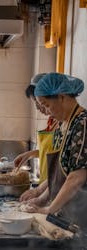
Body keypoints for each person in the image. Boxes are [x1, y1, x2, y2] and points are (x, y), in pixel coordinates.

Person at [24, 72, 87, 230]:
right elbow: (58, 173)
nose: (46, 111)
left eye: (45, 105)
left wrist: (49, 209)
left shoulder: (82, 124)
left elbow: (76, 177)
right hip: (66, 211)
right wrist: (42, 199)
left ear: (62, 97)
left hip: (82, 212)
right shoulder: (62, 126)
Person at [14, 73, 59, 202]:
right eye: (37, 104)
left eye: (42, 103)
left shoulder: (65, 124)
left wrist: (39, 191)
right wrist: (30, 154)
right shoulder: (52, 121)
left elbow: (64, 165)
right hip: (47, 182)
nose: (39, 108)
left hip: (57, 186)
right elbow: (52, 151)